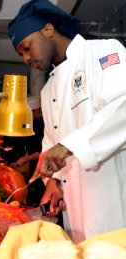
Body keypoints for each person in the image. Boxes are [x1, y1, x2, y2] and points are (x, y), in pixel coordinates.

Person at [8, 0, 126, 243]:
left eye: (27, 47)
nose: (26, 59)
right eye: (21, 54)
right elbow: (51, 142)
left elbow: (121, 107)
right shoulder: (48, 89)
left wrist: (67, 146)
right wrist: (54, 182)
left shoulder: (103, 52)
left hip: (113, 202)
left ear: (48, 30)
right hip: (75, 210)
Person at [12, 95, 47, 207]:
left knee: (42, 201)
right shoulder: (34, 125)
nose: (28, 117)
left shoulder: (44, 126)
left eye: (29, 113)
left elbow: (42, 152)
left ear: (36, 110)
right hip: (34, 169)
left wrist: (25, 159)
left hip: (43, 171)